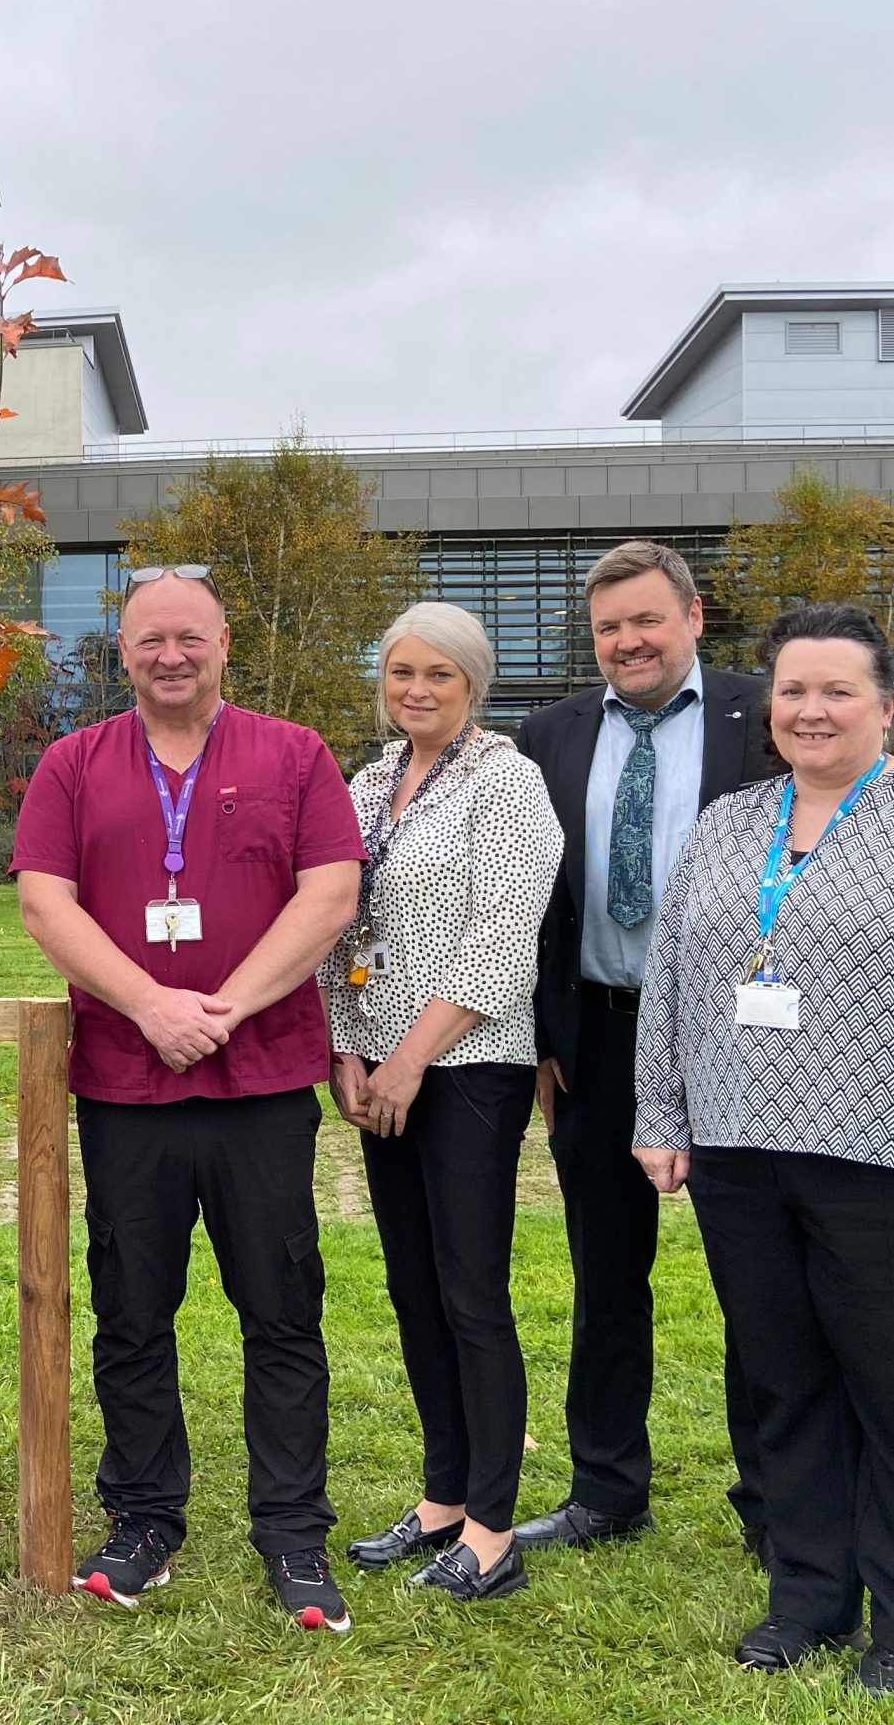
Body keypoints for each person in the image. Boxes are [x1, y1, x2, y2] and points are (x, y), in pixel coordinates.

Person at [635, 602, 894, 1698]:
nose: (809, 710)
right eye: (790, 690)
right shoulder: (730, 825)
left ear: (890, 702)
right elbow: (671, 983)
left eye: (835, 690)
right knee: (784, 1388)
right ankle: (808, 1598)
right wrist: (659, 1114)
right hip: (742, 1155)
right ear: (765, 703)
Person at [12, 565, 365, 1634]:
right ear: (122, 653)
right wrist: (149, 1007)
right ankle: (144, 1519)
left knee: (280, 1308)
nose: (171, 655)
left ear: (223, 645)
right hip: (127, 1085)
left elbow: (332, 891)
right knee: (131, 1311)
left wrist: (222, 1007)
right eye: (150, 640)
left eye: (190, 638)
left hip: (259, 1081)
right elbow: (44, 901)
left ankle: (292, 1533)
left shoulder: (292, 754)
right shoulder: (73, 765)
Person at [510, 541, 776, 1562]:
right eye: (608, 628)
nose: (628, 642)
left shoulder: (767, 717)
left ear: (693, 617)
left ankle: (771, 1499)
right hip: (600, 1039)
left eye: (646, 620)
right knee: (605, 1276)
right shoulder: (550, 733)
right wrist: (541, 1035)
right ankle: (606, 1490)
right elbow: (537, 900)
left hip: (744, 1041)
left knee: (755, 1273)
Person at [319, 602, 561, 1602]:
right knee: (413, 1290)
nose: (414, 689)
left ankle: (493, 1531)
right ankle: (439, 1499)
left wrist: (411, 1057)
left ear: (474, 685)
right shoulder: (368, 783)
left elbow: (504, 940)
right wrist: (344, 1044)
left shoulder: (507, 784)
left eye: (438, 676)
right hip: (376, 1065)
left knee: (469, 1295)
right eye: (399, 671)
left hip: (466, 1067)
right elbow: (337, 916)